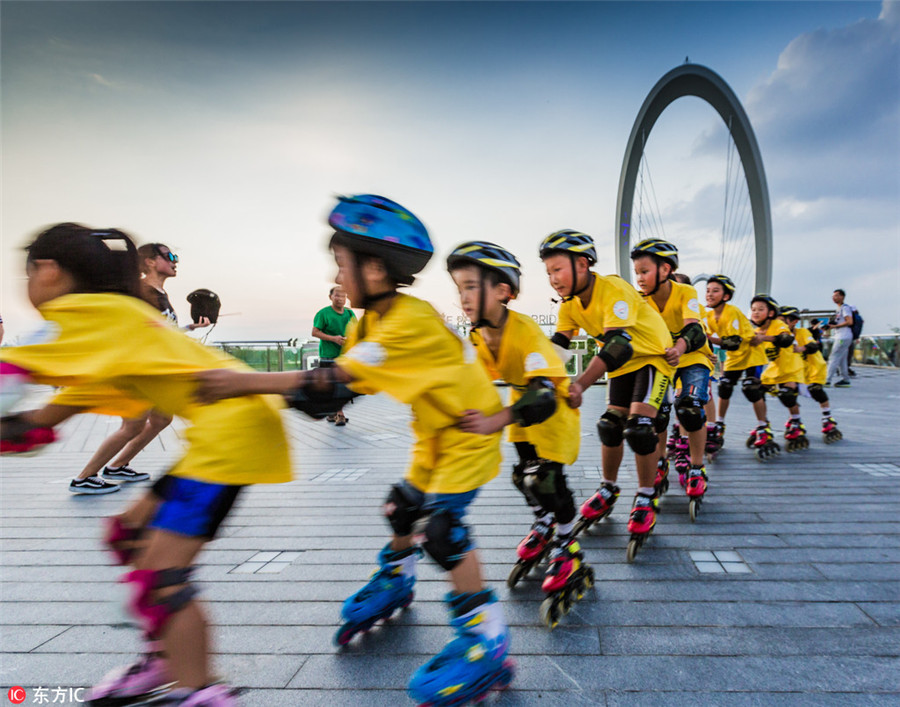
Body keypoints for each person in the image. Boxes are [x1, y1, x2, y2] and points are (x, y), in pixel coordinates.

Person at [193, 195, 514, 704]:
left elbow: (333, 380)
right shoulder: (371, 321)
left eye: (342, 265)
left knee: (442, 530)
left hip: (469, 436)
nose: (337, 276)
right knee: (402, 508)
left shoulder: (411, 319)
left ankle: (488, 641)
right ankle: (397, 580)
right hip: (435, 436)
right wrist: (287, 393)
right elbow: (334, 390)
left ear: (375, 267)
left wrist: (240, 382)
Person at [0, 223, 292, 706]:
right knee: (128, 534)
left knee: (162, 577)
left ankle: (199, 691)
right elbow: (40, 421)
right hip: (230, 426)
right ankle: (164, 659)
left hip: (231, 436)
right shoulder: (114, 319)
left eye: (27, 274)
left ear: (48, 271)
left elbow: (14, 370)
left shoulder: (86, 313)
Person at [447, 241, 590, 627]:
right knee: (521, 476)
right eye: (460, 288)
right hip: (520, 405)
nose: (463, 297)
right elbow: (469, 377)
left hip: (552, 408)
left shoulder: (524, 330)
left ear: (503, 291)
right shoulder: (479, 335)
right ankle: (543, 523)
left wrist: (494, 421)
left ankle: (567, 543)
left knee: (547, 479)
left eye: (471, 287)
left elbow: (542, 395)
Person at [540, 230, 674, 562]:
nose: (553, 279)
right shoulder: (570, 305)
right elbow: (559, 346)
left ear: (582, 264)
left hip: (652, 358)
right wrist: (540, 381)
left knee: (640, 428)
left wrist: (580, 385)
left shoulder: (613, 289)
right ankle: (608, 487)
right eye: (548, 272)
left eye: (558, 269)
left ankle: (646, 495)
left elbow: (618, 344)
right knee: (610, 426)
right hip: (623, 366)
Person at [64, 243, 211, 494]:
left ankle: (118, 465)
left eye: (175, 257)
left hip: (152, 370)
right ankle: (84, 477)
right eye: (170, 256)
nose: (175, 261)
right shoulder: (141, 292)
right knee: (132, 425)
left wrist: (190, 328)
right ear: (151, 261)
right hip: (136, 369)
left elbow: (162, 331)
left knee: (162, 419)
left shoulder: (159, 294)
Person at [629, 239, 713, 519]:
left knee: (689, 408)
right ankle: (661, 461)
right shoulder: (640, 300)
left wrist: (678, 348)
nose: (639, 278)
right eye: (637, 273)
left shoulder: (685, 291)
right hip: (662, 362)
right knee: (658, 414)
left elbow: (694, 330)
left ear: (665, 269)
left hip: (692, 356)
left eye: (644, 271)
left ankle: (696, 467)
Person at [702, 275, 773, 458]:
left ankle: (763, 426)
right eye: (708, 290)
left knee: (751, 389)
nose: (710, 294)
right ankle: (719, 424)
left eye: (715, 291)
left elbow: (733, 342)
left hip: (751, 354)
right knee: (724, 387)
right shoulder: (709, 316)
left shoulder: (731, 311)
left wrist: (708, 339)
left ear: (726, 296)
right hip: (734, 357)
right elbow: (706, 336)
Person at [780, 306, 842, 443]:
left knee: (816, 390)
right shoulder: (778, 335)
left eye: (783, 321)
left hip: (813, 368)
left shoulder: (802, 332)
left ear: (794, 322)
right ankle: (795, 420)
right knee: (788, 393)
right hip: (795, 370)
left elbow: (813, 346)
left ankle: (827, 417)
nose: (780, 324)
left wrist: (801, 348)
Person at [311, 286, 356, 425]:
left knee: (343, 385)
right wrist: (334, 339)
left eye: (343, 296)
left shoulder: (349, 313)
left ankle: (332, 412)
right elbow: (315, 332)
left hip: (345, 356)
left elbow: (357, 331)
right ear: (330, 297)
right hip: (328, 355)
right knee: (333, 386)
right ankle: (340, 414)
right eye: (337, 295)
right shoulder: (323, 313)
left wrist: (350, 339)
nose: (340, 298)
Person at [825, 288, 853, 387]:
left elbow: (849, 321)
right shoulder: (839, 309)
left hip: (843, 337)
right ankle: (846, 380)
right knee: (842, 359)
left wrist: (835, 326)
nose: (834, 298)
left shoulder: (845, 308)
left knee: (834, 357)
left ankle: (827, 380)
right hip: (842, 336)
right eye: (833, 296)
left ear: (842, 297)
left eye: (836, 295)